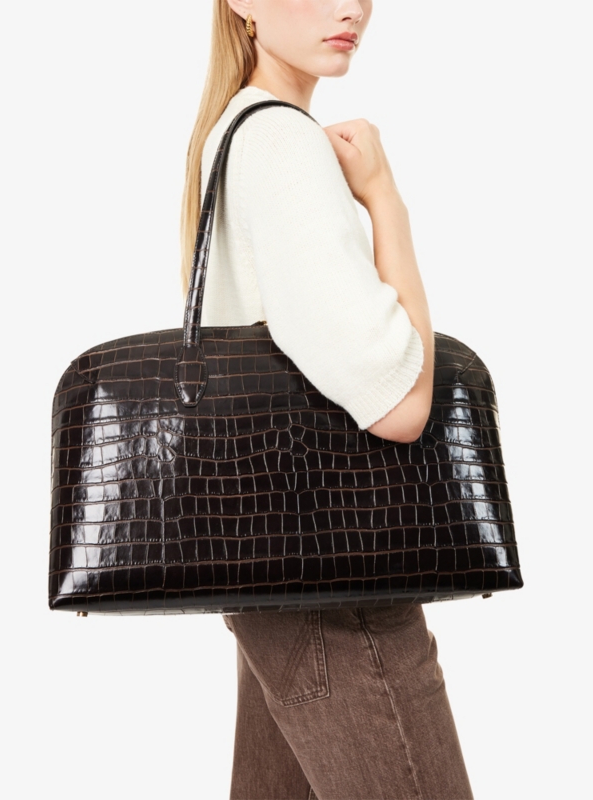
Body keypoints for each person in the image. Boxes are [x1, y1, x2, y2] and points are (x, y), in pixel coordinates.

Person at [180, 2, 474, 798]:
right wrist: (385, 201)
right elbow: (400, 403)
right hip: (339, 588)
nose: (350, 7)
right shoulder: (281, 141)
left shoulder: (229, 133)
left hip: (272, 576)